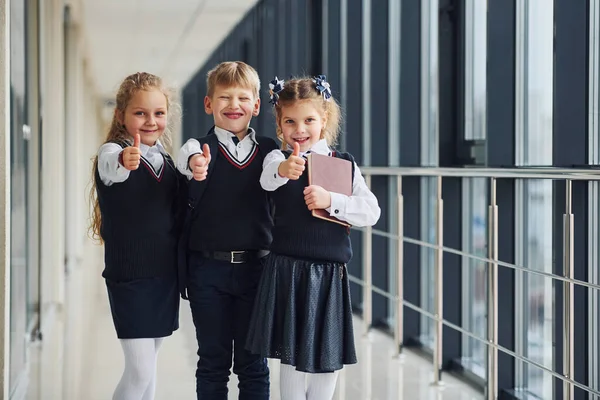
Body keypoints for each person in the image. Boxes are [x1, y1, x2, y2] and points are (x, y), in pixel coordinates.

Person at [245, 75, 381, 400]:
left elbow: (371, 211)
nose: (300, 129)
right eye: (290, 121)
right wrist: (284, 171)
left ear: (325, 120)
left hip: (330, 277)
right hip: (289, 273)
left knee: (327, 363)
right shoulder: (278, 160)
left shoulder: (343, 165)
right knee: (291, 362)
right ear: (279, 124)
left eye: (309, 120)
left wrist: (332, 201)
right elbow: (267, 181)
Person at [176, 61, 277, 400]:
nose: (234, 106)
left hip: (256, 271)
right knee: (212, 363)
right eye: (224, 97)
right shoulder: (199, 149)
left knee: (254, 365)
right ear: (208, 104)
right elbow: (186, 155)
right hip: (207, 272)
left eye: (243, 98)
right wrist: (195, 163)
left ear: (257, 105)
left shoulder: (270, 153)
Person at [89, 72, 183, 400]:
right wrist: (125, 160)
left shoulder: (167, 161)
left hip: (163, 276)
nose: (150, 121)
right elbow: (112, 167)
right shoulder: (112, 153)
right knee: (139, 370)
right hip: (130, 277)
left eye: (158, 113)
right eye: (140, 113)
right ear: (121, 115)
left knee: (149, 368)